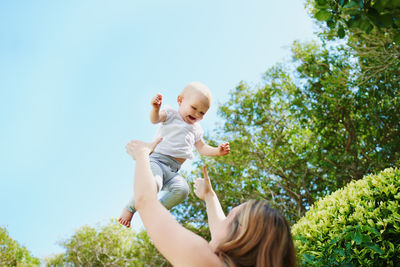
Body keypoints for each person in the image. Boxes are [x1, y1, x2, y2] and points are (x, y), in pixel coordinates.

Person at [125, 138, 297, 267]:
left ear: (241, 237)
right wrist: (209, 195)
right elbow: (221, 231)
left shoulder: (205, 261)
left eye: (229, 216)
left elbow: (146, 202)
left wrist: (142, 154)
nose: (222, 220)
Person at [119, 82, 231, 227]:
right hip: (157, 162)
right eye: (194, 108)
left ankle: (156, 211)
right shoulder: (171, 114)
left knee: (183, 190)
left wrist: (218, 151)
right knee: (154, 184)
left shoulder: (196, 129)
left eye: (202, 113)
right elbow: (155, 119)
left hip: (173, 171)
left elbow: (202, 148)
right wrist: (155, 108)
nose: (196, 114)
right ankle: (129, 208)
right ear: (180, 101)